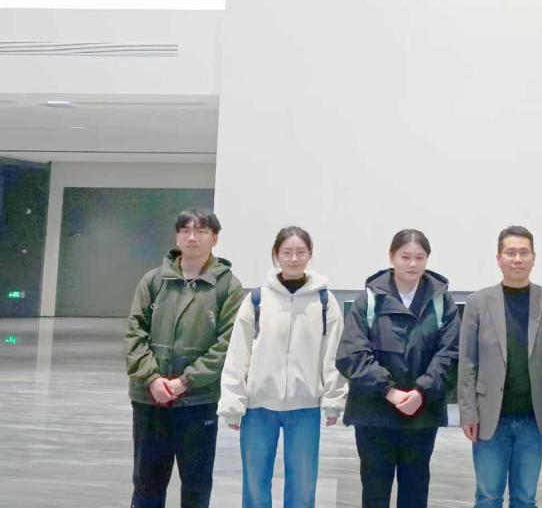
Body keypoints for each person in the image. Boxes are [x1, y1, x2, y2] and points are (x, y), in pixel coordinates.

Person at [218, 226, 347, 508]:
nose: (294, 258)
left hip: (305, 407)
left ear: (310, 254)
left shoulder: (324, 301)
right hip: (258, 407)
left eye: (300, 252)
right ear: (276, 254)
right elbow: (238, 353)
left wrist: (334, 400)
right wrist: (232, 402)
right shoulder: (257, 300)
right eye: (287, 252)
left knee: (303, 486)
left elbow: (333, 354)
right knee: (255, 484)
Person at [124, 208, 244, 508]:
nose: (192, 237)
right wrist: (153, 379)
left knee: (196, 484)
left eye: (201, 231)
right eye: (186, 230)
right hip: (150, 400)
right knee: (147, 482)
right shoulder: (153, 281)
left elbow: (228, 344)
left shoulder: (227, 286)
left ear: (214, 238)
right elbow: (134, 334)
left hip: (198, 400)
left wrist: (185, 382)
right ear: (177, 237)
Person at [335, 228, 460, 508]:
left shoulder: (442, 302)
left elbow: (451, 353)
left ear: (427, 259)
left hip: (421, 416)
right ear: (392, 257)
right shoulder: (368, 300)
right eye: (405, 256)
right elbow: (351, 354)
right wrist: (389, 391)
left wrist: (421, 392)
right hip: (374, 415)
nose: (412, 264)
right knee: (374, 493)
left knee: (415, 493)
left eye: (419, 257)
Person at [457, 225, 542, 508]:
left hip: (534, 418)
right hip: (489, 418)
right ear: (498, 258)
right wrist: (468, 412)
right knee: (487, 497)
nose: (517, 259)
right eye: (510, 253)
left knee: (525, 498)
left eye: (524, 252)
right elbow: (467, 363)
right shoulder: (477, 303)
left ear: (533, 257)